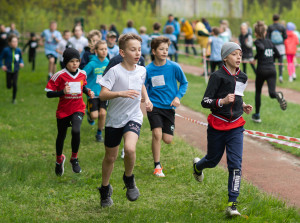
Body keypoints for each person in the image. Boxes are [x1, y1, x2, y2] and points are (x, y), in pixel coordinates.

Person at [193, 42, 253, 217]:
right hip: (217, 124)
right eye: (234, 54)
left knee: (235, 164)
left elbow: (239, 95)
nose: (239, 57)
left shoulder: (243, 76)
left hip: (236, 126)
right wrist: (222, 101)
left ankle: (232, 205)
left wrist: (243, 106)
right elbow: (205, 101)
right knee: (212, 160)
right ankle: (198, 167)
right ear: (225, 57)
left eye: (240, 54)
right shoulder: (217, 76)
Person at [97, 33, 153, 207]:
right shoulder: (114, 71)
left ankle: (129, 179)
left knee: (129, 148)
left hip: (133, 116)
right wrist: (120, 93)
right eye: (132, 50)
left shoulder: (142, 70)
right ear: (122, 52)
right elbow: (102, 94)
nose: (138, 53)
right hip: (114, 119)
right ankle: (105, 189)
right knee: (110, 157)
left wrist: (147, 98)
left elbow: (141, 83)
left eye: (139, 50)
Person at [45, 48, 94, 176]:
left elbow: (82, 86)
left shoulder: (82, 73)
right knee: (61, 136)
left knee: (76, 130)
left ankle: (74, 158)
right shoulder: (59, 75)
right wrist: (62, 92)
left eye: (77, 61)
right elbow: (48, 94)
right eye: (72, 61)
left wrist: (88, 91)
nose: (75, 64)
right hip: (63, 111)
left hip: (78, 108)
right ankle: (59, 159)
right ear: (66, 62)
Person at [145, 36, 188, 177]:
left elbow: (184, 83)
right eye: (161, 49)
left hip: (169, 107)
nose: (164, 52)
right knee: (157, 134)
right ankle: (157, 165)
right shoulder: (148, 70)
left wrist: (177, 97)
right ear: (153, 51)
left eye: (166, 49)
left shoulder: (174, 67)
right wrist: (145, 98)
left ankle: (158, 163)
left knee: (167, 139)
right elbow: (143, 86)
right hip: (154, 106)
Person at [252, 21, 287, 123]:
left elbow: (261, 49)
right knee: (272, 93)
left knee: (258, 92)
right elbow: (279, 55)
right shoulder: (270, 42)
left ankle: (257, 115)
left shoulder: (257, 42)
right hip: (272, 70)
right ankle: (278, 95)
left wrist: (256, 57)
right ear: (266, 31)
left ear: (256, 33)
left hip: (262, 70)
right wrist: (270, 57)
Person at [83, 40, 109, 142]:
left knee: (103, 114)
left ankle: (99, 133)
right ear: (96, 51)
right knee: (94, 116)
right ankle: (89, 114)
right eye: (101, 49)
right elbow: (82, 75)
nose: (104, 51)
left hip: (104, 93)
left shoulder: (108, 63)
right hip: (92, 94)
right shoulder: (92, 63)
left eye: (105, 49)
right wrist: (86, 88)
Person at [0, 34, 24, 104]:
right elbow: (0, 58)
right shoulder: (6, 50)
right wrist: (2, 65)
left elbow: (20, 58)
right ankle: (9, 85)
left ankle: (14, 99)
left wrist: (21, 63)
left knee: (15, 84)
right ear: (9, 43)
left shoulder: (18, 50)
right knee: (9, 86)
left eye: (16, 41)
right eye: (13, 41)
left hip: (16, 70)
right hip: (8, 70)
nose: (15, 43)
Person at [266, 14, 287, 83]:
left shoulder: (270, 27)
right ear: (279, 19)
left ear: (272, 19)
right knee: (280, 62)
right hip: (280, 46)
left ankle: (273, 76)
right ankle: (280, 76)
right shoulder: (282, 27)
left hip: (272, 46)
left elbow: (267, 37)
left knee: (273, 62)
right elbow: (285, 36)